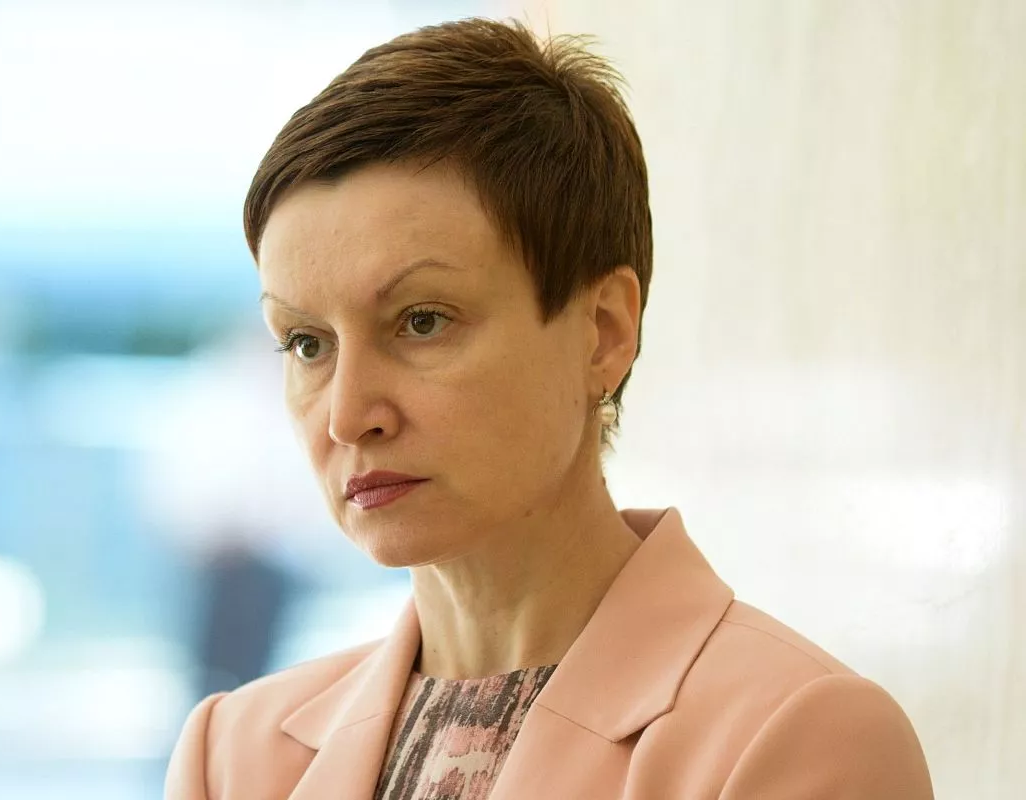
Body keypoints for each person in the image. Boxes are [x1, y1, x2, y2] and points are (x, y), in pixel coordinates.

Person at [165, 17, 934, 800]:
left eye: (422, 321)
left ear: (603, 332)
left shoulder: (800, 735)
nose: (346, 414)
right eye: (306, 343)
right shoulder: (230, 756)